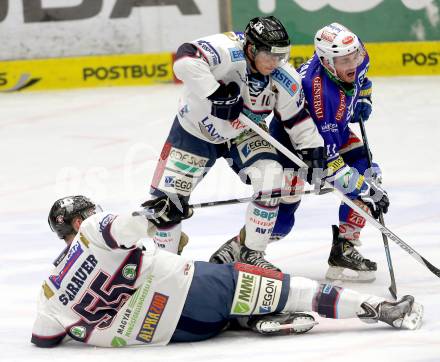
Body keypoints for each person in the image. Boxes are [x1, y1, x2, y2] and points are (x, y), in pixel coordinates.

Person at [31, 195, 423, 348]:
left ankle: (252, 320)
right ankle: (379, 308)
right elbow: (125, 227)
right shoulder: (94, 228)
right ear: (80, 221)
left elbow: (44, 338)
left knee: (215, 276)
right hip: (193, 294)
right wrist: (154, 214)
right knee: (270, 282)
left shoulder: (49, 288)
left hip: (175, 335)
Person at [149, 15, 325, 270]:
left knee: (272, 176)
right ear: (251, 48)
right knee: (165, 204)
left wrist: (313, 148)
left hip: (243, 133)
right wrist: (216, 93)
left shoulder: (284, 77)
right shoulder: (227, 50)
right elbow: (184, 59)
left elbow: (296, 118)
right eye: (270, 56)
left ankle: (252, 252)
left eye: (281, 56)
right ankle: (165, 264)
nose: (276, 63)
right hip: (194, 132)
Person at [269, 23, 390, 282]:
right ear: (326, 61)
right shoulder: (322, 96)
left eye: (355, 56)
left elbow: (362, 79)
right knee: (282, 220)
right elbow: (329, 166)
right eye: (345, 60)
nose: (354, 63)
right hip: (297, 146)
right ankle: (243, 250)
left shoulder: (354, 52)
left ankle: (344, 249)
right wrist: (366, 190)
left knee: (368, 169)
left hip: (333, 132)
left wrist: (364, 99)